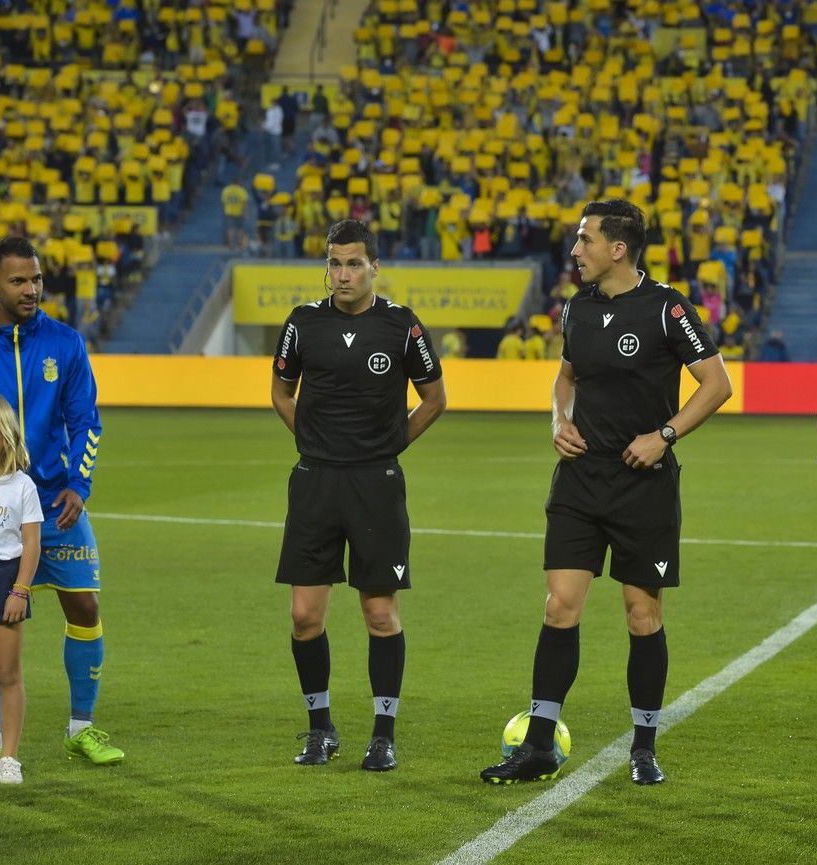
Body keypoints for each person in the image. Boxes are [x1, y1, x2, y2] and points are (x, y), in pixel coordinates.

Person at [480, 199, 732, 786]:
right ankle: (538, 745)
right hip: (580, 480)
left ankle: (643, 747)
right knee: (559, 606)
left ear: (618, 249)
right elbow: (566, 376)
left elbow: (717, 384)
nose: (575, 250)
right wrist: (558, 420)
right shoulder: (578, 307)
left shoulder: (668, 308)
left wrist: (664, 436)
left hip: (642, 486)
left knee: (642, 615)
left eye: (585, 239)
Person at [272, 219, 446, 772]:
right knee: (304, 615)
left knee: (379, 613)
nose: (343, 274)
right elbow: (281, 390)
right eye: (334, 263)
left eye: (353, 264)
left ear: (374, 267)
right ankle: (320, 728)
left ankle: (383, 735)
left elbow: (435, 398)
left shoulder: (401, 325)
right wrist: (311, 438)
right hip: (315, 481)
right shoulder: (302, 323)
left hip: (376, 483)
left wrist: (391, 445)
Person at [0, 236, 124, 767]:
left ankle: (81, 728)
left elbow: (86, 421)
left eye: (37, 279)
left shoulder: (65, 343)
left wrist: (79, 485)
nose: (31, 289)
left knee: (85, 604)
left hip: (54, 505)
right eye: (18, 280)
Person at [0, 394, 43, 784]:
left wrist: (20, 589)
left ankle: (9, 758)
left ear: (6, 434)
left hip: (4, 578)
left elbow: (31, 544)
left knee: (7, 672)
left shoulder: (22, 486)